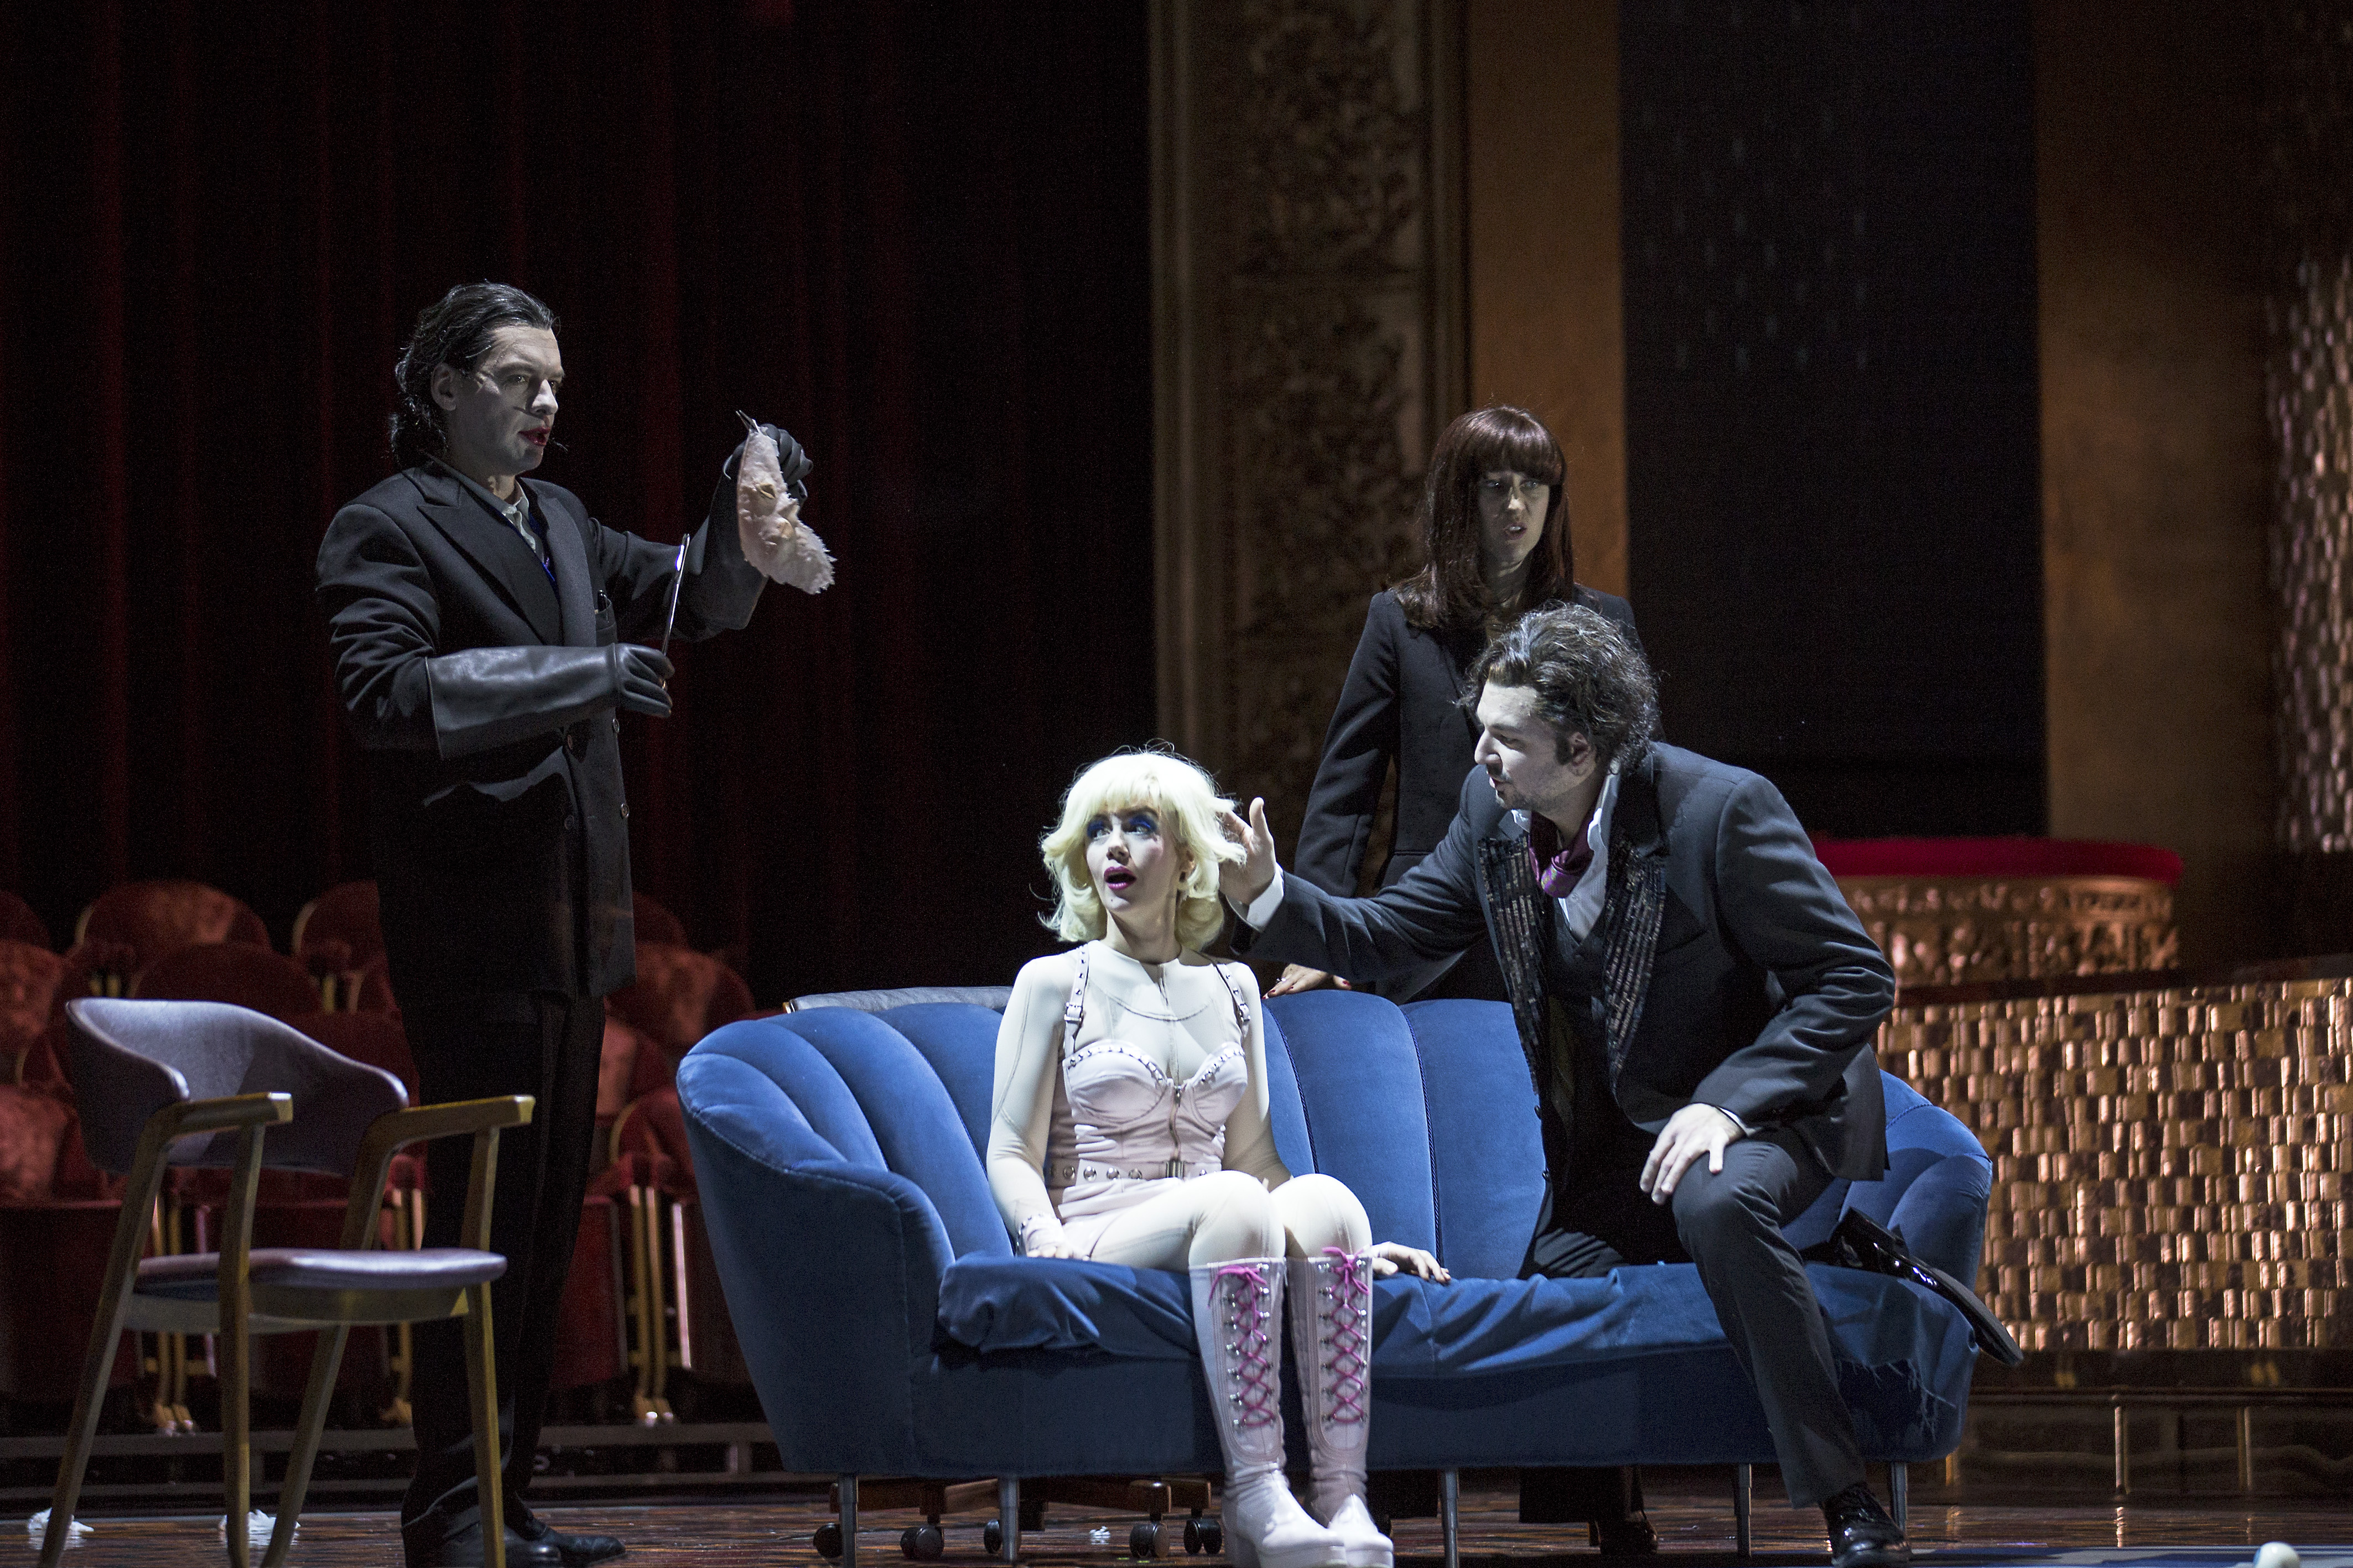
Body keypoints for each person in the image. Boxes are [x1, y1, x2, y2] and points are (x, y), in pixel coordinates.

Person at [1219, 606, 1912, 1568]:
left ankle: (1847, 1500)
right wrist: (1266, 893)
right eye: (1481, 732)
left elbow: (1853, 977)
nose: (1481, 757)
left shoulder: (1719, 812)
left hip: (1771, 1114)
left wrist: (1727, 1102)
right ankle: (1610, 1517)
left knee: (1715, 1203)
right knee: (1555, 1281)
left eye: (1506, 738)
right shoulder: (1492, 814)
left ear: (1581, 748)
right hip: (1627, 1137)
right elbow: (1391, 932)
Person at [316, 282, 793, 1568]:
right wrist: (582, 675)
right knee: (484, 1226)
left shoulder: (561, 521)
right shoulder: (386, 525)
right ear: (442, 388)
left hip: (574, 928)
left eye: (555, 386)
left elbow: (688, 594)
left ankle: (505, 1504)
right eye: (518, 379)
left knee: (537, 1234)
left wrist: (744, 504)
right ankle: (450, 1513)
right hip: (474, 930)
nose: (544, 403)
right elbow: (384, 694)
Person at [989, 751, 1449, 1568]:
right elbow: (1010, 1149)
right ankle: (1255, 1493)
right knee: (1235, 1201)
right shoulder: (1055, 982)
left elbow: (1258, 1159)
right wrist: (1039, 1234)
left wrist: (1348, 1247)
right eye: (1098, 830)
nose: (1114, 847)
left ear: (1188, 858)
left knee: (1328, 1201)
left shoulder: (1234, 986)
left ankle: (1341, 1494)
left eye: (1139, 826)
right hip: (1098, 1225)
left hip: (1222, 1216)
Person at [1279, 406, 1639, 1007]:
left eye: (1532, 486)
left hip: (1568, 918)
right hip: (1432, 929)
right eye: (1495, 486)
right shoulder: (1399, 621)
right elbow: (1346, 794)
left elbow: (1637, 782)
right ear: (1459, 498)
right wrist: (1317, 936)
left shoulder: (1601, 622)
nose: (1516, 505)